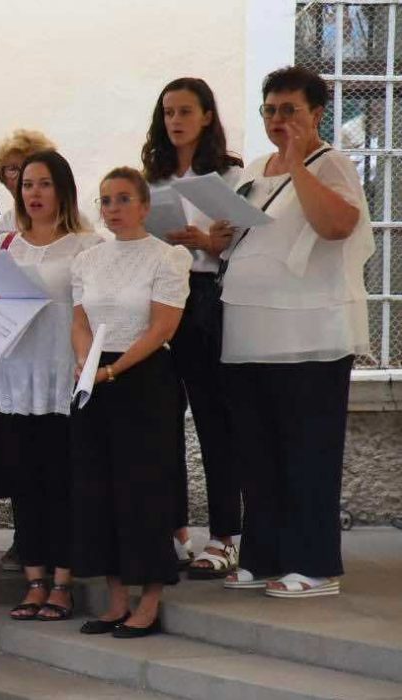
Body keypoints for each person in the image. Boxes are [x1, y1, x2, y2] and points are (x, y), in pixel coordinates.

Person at [221, 66, 374, 599]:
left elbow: (336, 226)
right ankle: (263, 555)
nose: (278, 120)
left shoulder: (330, 163)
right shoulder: (255, 169)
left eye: (290, 110)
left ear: (317, 114)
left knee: (308, 450)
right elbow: (251, 243)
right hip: (249, 329)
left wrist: (298, 162)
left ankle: (313, 564)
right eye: (270, 110)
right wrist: (212, 235)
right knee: (258, 451)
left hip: (310, 333)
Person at [0, 150, 102, 622]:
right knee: (25, 482)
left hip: (60, 375)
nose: (34, 193)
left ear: (62, 189)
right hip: (16, 376)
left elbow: (94, 311)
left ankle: (64, 582)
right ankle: (34, 580)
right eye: (27, 184)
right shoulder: (5, 245)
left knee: (62, 482)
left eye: (44, 184)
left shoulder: (86, 245)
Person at [71, 168, 191, 638]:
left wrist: (113, 370)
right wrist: (88, 365)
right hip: (95, 378)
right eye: (106, 200)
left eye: (123, 199)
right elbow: (80, 320)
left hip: (144, 378)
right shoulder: (88, 259)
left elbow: (162, 327)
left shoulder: (168, 257)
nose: (113, 208)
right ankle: (116, 599)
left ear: (144, 206)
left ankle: (150, 600)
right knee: (98, 488)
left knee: (144, 490)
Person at [141, 77, 246, 579]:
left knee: (213, 419)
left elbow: (247, 247)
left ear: (207, 116)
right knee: (161, 420)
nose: (175, 121)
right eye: (168, 112)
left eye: (185, 111)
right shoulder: (154, 177)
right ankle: (174, 529)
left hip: (207, 298)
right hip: (162, 298)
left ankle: (226, 534)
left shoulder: (230, 175)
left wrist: (207, 242)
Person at [0, 128, 58, 572]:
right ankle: (25, 541)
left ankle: (58, 549)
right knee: (18, 457)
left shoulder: (78, 231)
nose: (24, 185)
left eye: (37, 178)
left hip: (54, 354)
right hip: (12, 353)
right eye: (14, 173)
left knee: (55, 459)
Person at [0, 129, 58, 250]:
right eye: (13, 169)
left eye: (30, 167)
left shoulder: (72, 223)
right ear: (2, 176)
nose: (23, 176)